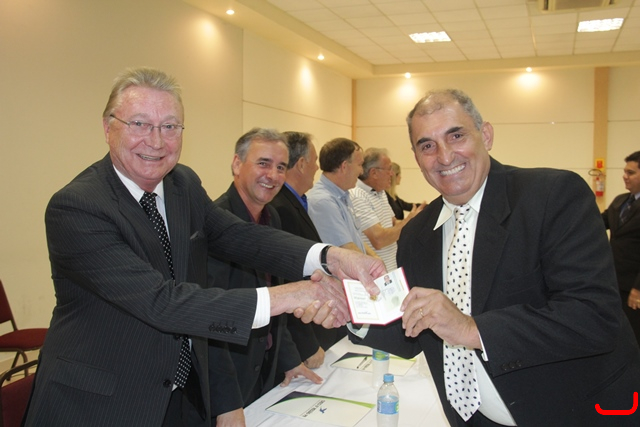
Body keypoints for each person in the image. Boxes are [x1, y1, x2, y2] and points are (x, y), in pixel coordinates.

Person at [25, 67, 385, 427]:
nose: (156, 141)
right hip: (101, 404)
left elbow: (238, 235)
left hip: (181, 396)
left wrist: (329, 257)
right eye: (139, 124)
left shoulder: (181, 183)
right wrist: (292, 296)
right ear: (108, 128)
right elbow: (163, 302)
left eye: (170, 126)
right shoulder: (78, 207)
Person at [349, 89, 640, 426]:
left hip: (572, 413)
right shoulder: (416, 235)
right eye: (427, 145)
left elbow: (594, 316)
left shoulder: (552, 196)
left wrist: (471, 328)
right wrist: (353, 310)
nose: (444, 156)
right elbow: (415, 331)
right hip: (472, 418)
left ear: (485, 135)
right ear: (416, 157)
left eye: (456, 135)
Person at [207, 128, 321, 414]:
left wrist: (290, 361)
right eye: (263, 163)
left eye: (281, 167)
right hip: (227, 379)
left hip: (265, 369)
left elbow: (276, 298)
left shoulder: (273, 218)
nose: (273, 175)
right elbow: (211, 324)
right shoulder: (216, 223)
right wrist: (227, 405)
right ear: (237, 164)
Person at [270, 131, 345, 368]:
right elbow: (286, 282)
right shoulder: (280, 207)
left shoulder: (297, 202)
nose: (317, 168)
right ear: (302, 164)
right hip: (305, 334)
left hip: (317, 324)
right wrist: (306, 346)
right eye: (314, 161)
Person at [350, 148, 424, 270]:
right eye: (389, 169)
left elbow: (393, 223)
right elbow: (379, 240)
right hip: (373, 273)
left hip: (390, 268)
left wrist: (418, 220)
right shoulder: (357, 195)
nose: (392, 174)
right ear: (374, 173)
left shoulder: (380, 192)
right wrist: (409, 220)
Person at [307, 138, 376, 257]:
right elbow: (347, 249)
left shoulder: (342, 195)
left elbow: (355, 238)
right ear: (344, 166)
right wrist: (374, 265)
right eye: (360, 165)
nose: (361, 171)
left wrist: (375, 258)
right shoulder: (323, 202)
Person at [602, 150, 640, 345]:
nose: (625, 176)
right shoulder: (620, 201)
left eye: (630, 173)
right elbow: (598, 222)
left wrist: (638, 288)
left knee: (635, 334)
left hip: (634, 285)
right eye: (625, 172)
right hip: (614, 280)